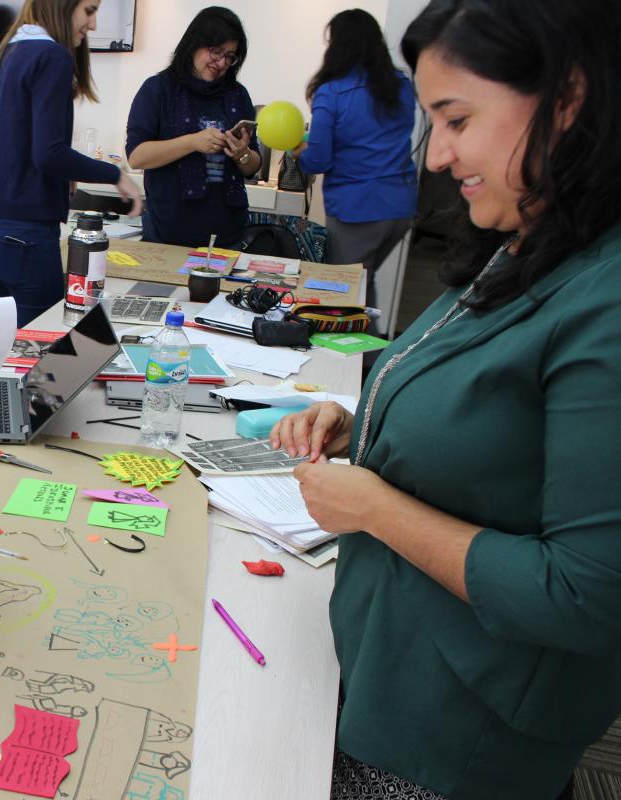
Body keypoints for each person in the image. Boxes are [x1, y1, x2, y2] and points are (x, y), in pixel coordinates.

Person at [270, 0, 620, 797]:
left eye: (457, 120)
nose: (437, 157)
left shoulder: (605, 299)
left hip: (456, 734)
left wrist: (372, 507)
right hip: (388, 668)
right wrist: (362, 429)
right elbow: (500, 427)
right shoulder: (530, 239)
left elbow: (586, 593)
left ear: (567, 99)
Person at [0, 0, 142, 327]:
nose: (93, 25)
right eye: (89, 10)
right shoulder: (52, 57)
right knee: (45, 355)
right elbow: (48, 154)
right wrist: (115, 175)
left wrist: (58, 174)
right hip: (24, 236)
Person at [295, 9, 417, 314]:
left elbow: (318, 160)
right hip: (400, 206)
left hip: (358, 209)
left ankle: (356, 360)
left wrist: (300, 151)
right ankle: (372, 359)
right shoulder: (400, 86)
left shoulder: (332, 92)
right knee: (364, 281)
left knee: (343, 293)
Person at [125, 7, 260, 248]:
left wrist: (243, 155)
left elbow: (252, 166)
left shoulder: (237, 95)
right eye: (216, 51)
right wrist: (193, 142)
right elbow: (136, 156)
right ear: (194, 44)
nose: (221, 62)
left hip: (227, 235)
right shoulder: (158, 90)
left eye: (230, 56)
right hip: (169, 233)